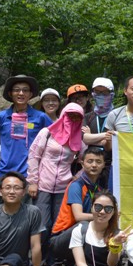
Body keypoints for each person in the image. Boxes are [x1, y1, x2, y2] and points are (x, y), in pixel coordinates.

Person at [0, 75, 53, 206]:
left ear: (30, 94)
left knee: (25, 215)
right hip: (5, 171)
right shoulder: (2, 116)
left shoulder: (40, 117)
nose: (21, 93)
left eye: (25, 90)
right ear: (10, 93)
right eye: (17, 90)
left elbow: (55, 138)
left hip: (30, 174)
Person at [26, 102, 87, 252]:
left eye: (76, 117)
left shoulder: (79, 139)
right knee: (42, 224)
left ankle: (53, 262)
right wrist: (33, 181)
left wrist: (76, 177)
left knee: (59, 225)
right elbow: (34, 156)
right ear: (63, 115)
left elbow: (86, 161)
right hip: (43, 185)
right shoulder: (47, 133)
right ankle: (36, 258)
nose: (72, 120)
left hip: (63, 188)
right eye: (69, 115)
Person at [48, 148, 105, 266]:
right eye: (90, 161)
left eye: (98, 162)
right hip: (60, 240)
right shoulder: (76, 186)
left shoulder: (99, 189)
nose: (94, 165)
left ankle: (75, 265)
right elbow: (79, 216)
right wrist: (105, 216)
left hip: (78, 237)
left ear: (103, 165)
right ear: (82, 163)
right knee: (86, 225)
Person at [82, 77, 116, 188]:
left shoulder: (118, 115)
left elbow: (114, 143)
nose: (101, 95)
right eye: (97, 92)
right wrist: (106, 136)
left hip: (110, 164)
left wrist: (92, 137)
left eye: (105, 92)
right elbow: (85, 139)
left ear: (111, 94)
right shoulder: (88, 116)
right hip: (91, 164)